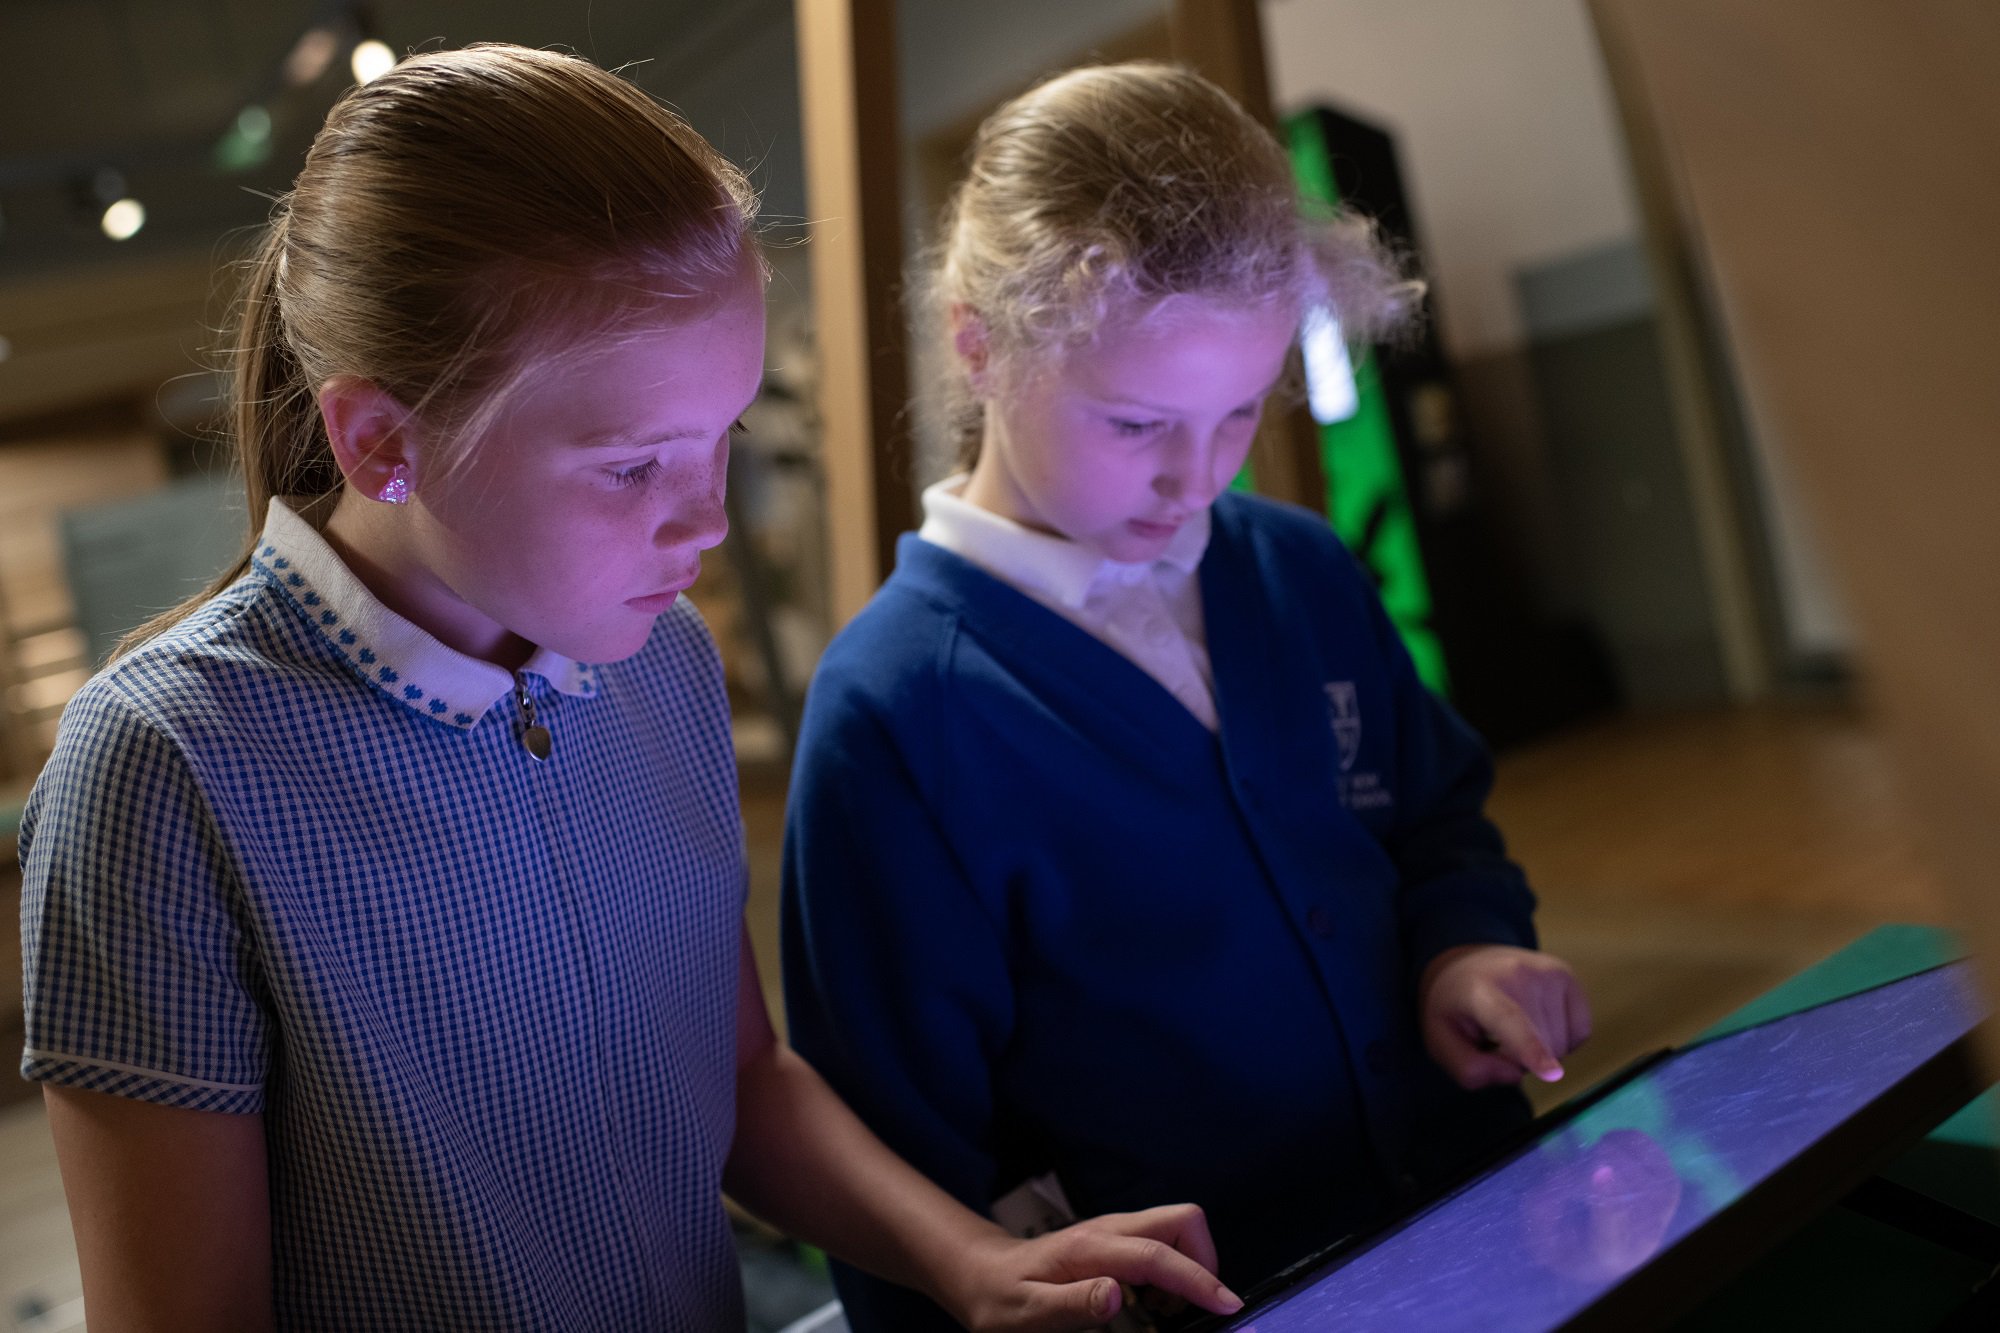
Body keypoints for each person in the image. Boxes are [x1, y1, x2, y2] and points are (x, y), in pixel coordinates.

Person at [14, 46, 1243, 1332]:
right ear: (379, 440)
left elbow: (745, 1079)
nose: (705, 519)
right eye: (632, 466)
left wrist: (967, 1258)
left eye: (720, 437)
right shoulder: (163, 766)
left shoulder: (659, 659)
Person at [781, 61, 1592, 1330]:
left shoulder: (1297, 566)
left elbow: (1436, 819)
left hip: (1479, 1220)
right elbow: (902, 1165)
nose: (1193, 478)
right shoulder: (898, 715)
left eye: (1236, 414)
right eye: (1133, 423)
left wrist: (1465, 942)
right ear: (975, 343)